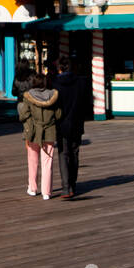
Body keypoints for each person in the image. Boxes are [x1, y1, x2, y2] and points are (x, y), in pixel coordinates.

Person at [18, 72, 61, 200]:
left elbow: (24, 114)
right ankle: (46, 192)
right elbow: (58, 114)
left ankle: (32, 188)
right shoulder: (53, 96)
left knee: (32, 160)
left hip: (33, 132)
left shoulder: (28, 96)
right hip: (49, 131)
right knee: (47, 162)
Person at [53, 57, 89, 200]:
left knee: (63, 153)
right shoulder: (80, 83)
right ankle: (73, 184)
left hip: (61, 123)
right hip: (77, 122)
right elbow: (86, 102)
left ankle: (66, 187)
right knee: (75, 153)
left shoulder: (56, 84)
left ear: (59, 68)